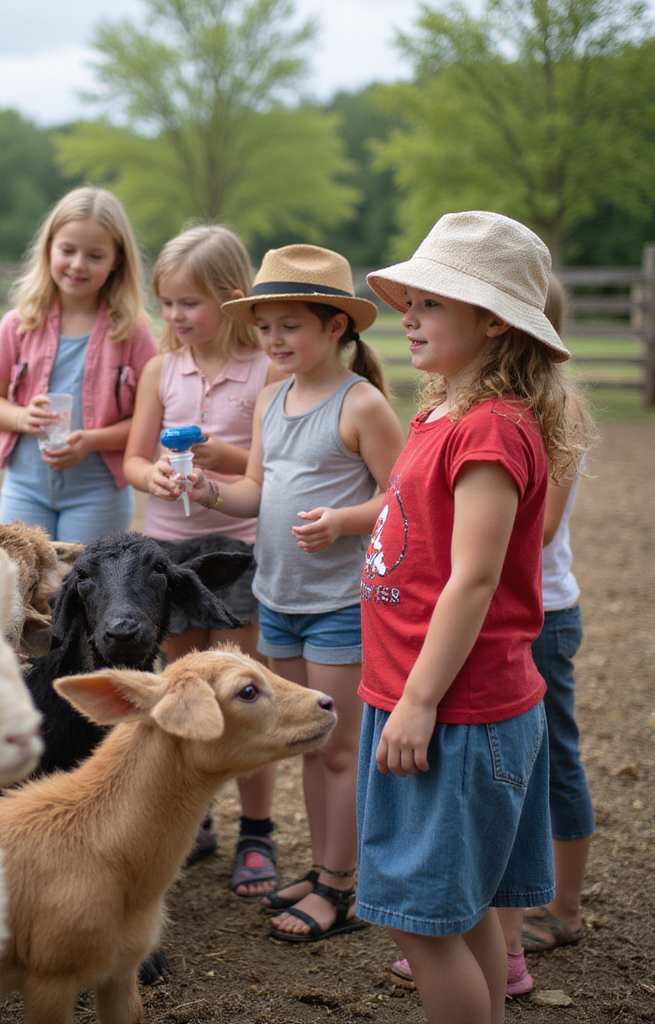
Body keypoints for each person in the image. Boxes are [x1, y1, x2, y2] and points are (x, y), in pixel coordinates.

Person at [356, 211, 591, 1024]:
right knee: (466, 910)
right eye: (410, 302)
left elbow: (476, 578)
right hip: (426, 696)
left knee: (422, 926)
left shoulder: (490, 429)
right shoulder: (446, 413)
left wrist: (419, 701)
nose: (407, 317)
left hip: (453, 709)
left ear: (494, 321)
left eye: (432, 304)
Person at [181, 244, 405, 941]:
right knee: (307, 742)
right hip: (276, 597)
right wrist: (208, 490)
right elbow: (256, 489)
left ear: (336, 327)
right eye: (265, 327)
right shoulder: (270, 398)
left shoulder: (362, 404)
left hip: (339, 603)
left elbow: (404, 500)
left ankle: (341, 887)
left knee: (338, 748)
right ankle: (324, 869)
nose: (273, 340)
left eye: (290, 326)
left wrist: (344, 522)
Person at [122, 224, 284, 899]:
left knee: (247, 689)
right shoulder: (162, 370)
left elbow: (275, 466)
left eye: (189, 303)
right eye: (166, 303)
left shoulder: (268, 369)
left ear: (232, 298)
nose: (175, 316)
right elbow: (134, 459)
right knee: (181, 684)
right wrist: (152, 477)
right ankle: (199, 820)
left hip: (239, 546)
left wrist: (225, 458)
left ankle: (258, 830)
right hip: (169, 546)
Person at [0, 185, 157, 543]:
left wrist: (92, 441)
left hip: (98, 493)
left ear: (117, 260)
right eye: (68, 250)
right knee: (21, 575)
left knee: (84, 577)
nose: (77, 264)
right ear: (49, 249)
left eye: (95, 255)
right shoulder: (18, 323)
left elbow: (148, 421)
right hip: (24, 487)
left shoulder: (133, 334)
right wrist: (21, 417)